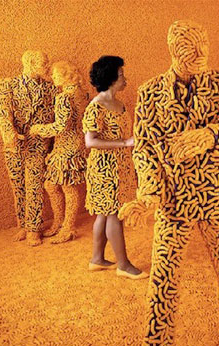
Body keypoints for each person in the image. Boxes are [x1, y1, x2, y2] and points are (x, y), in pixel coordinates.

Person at [119, 20, 219, 346]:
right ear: (172, 51)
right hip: (173, 203)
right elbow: (144, 149)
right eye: (190, 52)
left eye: (204, 48)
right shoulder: (150, 93)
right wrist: (148, 193)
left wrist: (210, 136)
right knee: (161, 285)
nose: (200, 57)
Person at [83, 55, 145, 278]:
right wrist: (124, 143)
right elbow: (90, 141)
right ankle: (123, 265)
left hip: (120, 167)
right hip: (104, 170)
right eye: (120, 75)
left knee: (103, 214)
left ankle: (97, 259)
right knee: (113, 214)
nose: (125, 79)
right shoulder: (96, 107)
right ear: (110, 78)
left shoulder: (119, 104)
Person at [0, 50, 56, 246]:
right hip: (15, 145)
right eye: (43, 63)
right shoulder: (8, 85)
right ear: (30, 64)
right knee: (18, 185)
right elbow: (2, 112)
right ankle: (23, 223)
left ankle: (34, 228)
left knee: (34, 185)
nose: (47, 67)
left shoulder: (51, 88)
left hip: (38, 144)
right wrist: (9, 133)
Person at [30, 61, 87, 243]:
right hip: (75, 144)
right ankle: (59, 222)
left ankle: (67, 227)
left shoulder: (64, 97)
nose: (52, 77)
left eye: (55, 74)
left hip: (67, 147)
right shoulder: (82, 93)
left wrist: (39, 129)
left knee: (68, 188)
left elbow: (60, 126)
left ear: (65, 76)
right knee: (52, 185)